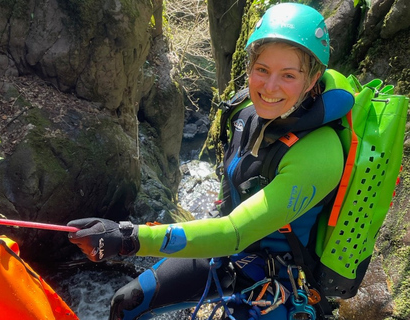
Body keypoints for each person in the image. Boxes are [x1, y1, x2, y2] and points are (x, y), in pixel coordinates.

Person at [67, 3, 354, 319]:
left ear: (312, 79)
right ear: (250, 67)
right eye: (262, 70)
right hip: (228, 255)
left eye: (288, 75)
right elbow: (232, 193)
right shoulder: (245, 112)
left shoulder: (319, 152)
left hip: (279, 283)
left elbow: (235, 232)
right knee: (128, 302)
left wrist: (129, 238)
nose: (270, 88)